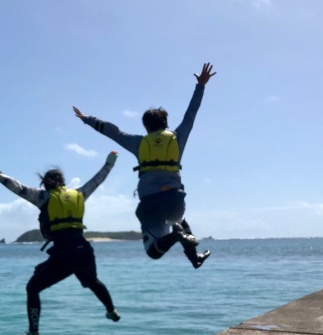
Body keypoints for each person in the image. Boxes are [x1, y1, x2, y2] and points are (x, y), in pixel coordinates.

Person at [72, 63, 216, 269]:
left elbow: (112, 131)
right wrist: (200, 85)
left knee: (154, 251)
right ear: (165, 123)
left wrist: (87, 119)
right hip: (175, 200)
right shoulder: (177, 138)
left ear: (146, 126)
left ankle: (179, 238)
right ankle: (194, 257)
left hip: (149, 202)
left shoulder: (139, 143)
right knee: (179, 218)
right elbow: (190, 114)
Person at [0, 152, 121, 335]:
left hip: (64, 252)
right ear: (63, 182)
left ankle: (33, 333)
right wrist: (110, 162)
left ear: (45, 183)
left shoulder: (43, 197)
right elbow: (98, 179)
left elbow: (15, 186)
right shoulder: (79, 194)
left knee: (32, 288)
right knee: (91, 281)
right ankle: (111, 310)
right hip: (84, 250)